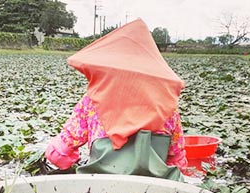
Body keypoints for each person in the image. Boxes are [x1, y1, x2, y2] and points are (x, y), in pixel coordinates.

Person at [45, 19, 188, 181]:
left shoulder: (92, 101)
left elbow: (58, 153)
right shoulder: (168, 106)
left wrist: (72, 162)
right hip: (155, 188)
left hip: (101, 188)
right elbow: (178, 160)